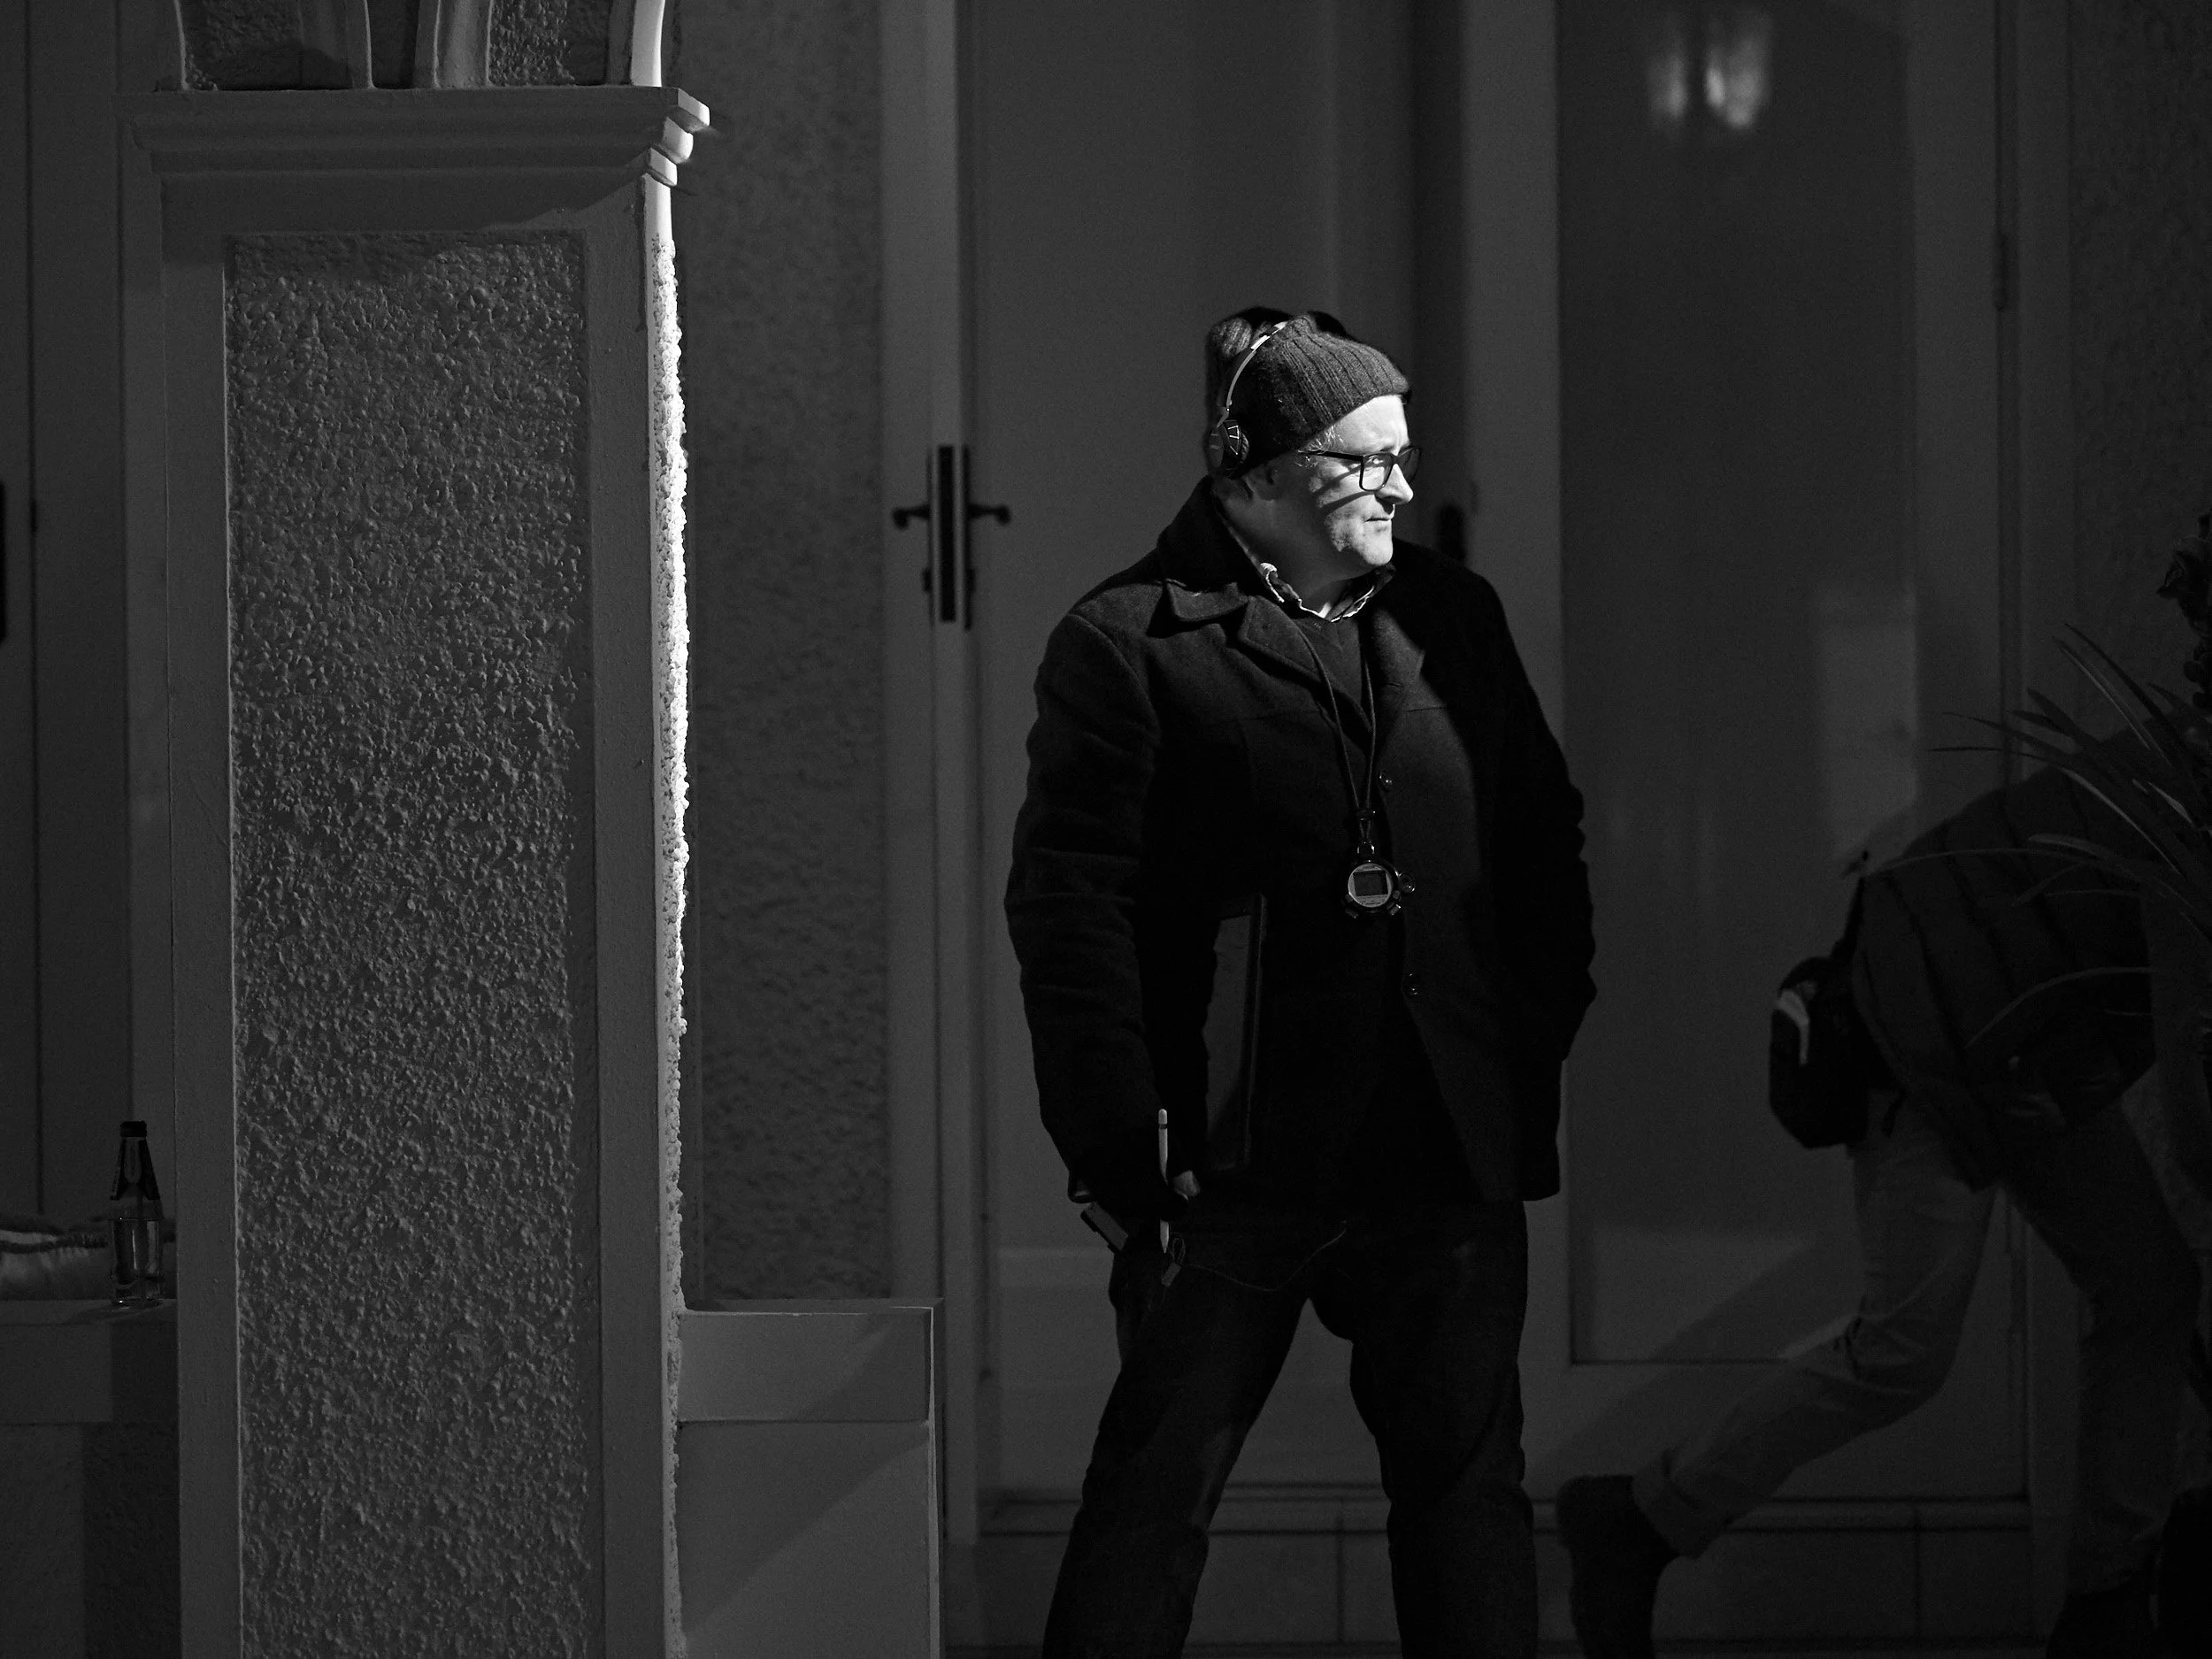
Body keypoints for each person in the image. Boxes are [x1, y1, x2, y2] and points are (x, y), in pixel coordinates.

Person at [1004, 307, 1596, 1657]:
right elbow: (1071, 906)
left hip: (1443, 1145)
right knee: (1154, 1493)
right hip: (1226, 1166)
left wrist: (1531, 1032)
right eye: (1359, 462)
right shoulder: (1130, 642)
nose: (1396, 484)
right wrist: (1115, 1141)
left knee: (1467, 1495)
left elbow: (1538, 833)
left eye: (1402, 454)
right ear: (1253, 474)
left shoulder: (1452, 613)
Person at [1559, 752, 2202, 1659]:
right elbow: (2192, 1107)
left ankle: (2106, 1599)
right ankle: (1636, 1517)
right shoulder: (2190, 803)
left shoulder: (2177, 764)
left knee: (2150, 1287)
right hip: (1930, 1032)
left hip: (2016, 1045)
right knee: (1903, 1350)